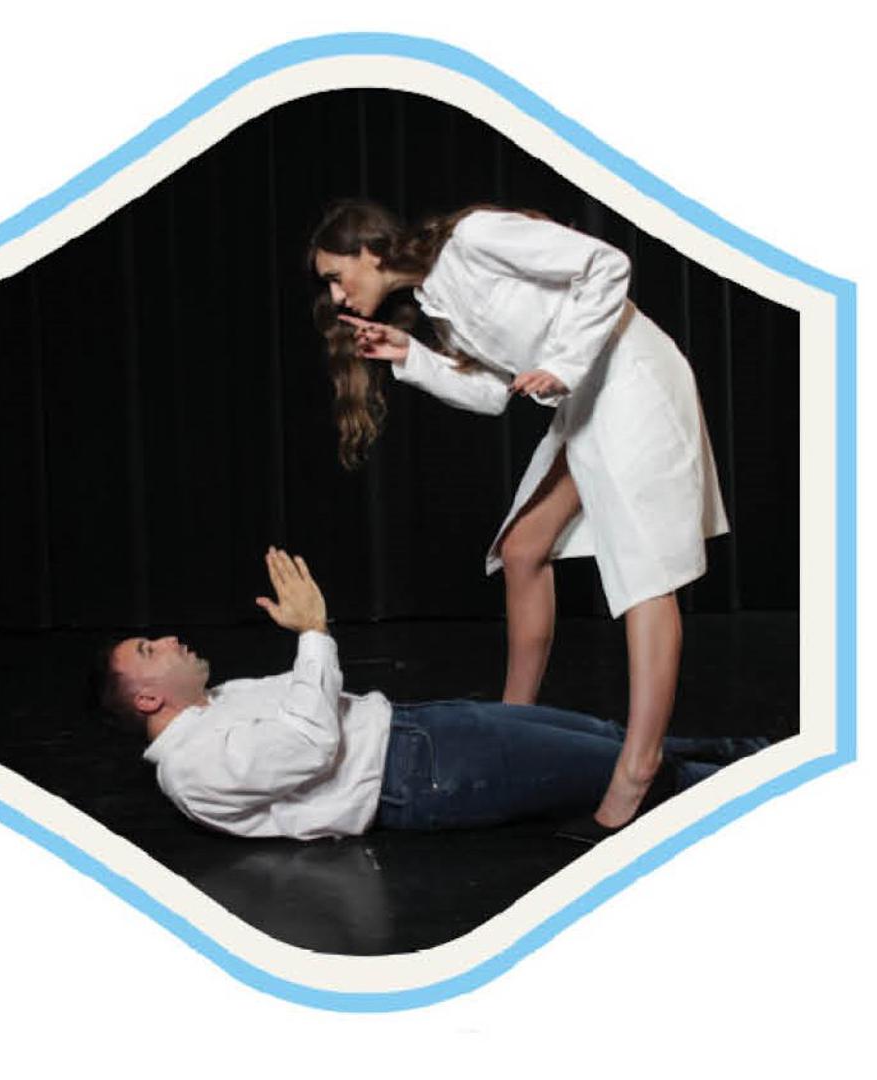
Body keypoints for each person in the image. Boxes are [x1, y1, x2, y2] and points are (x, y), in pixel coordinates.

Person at [306, 199, 729, 835]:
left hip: (631, 377)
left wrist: (563, 364)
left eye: (336, 276)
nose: (337, 294)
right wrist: (409, 355)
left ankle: (638, 765)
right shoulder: (436, 304)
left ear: (369, 251)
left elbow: (607, 264)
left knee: (645, 576)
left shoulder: (476, 237)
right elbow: (491, 395)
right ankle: (512, 727)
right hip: (587, 397)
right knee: (523, 548)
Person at [97, 548, 764, 840]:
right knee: (625, 772)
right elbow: (310, 740)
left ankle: (760, 757)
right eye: (150, 651)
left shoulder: (222, 699)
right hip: (420, 774)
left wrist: (313, 644)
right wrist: (313, 632)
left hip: (422, 731)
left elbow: (316, 698)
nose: (169, 640)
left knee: (618, 740)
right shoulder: (192, 770)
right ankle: (767, 798)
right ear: (148, 700)